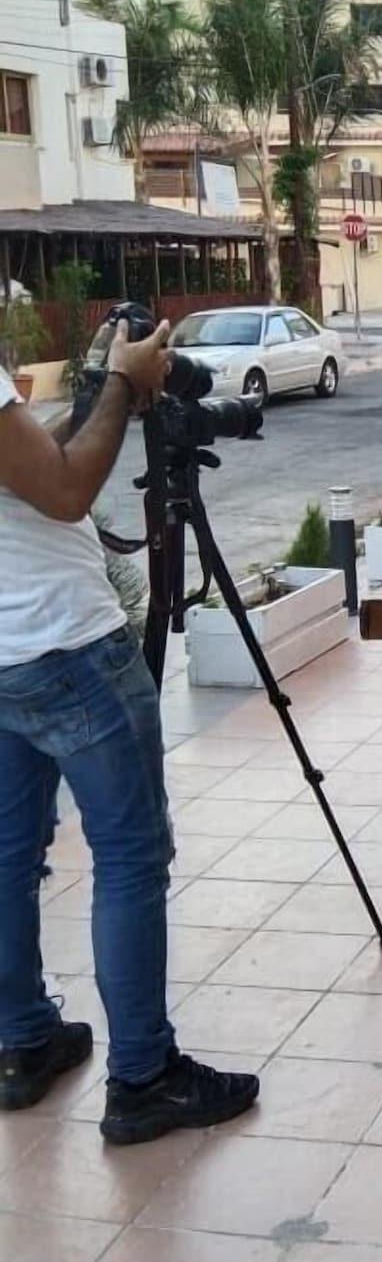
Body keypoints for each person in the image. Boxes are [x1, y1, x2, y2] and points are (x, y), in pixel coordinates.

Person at [0, 322, 259, 1142]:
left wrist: (96, 391)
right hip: (63, 642)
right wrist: (121, 382)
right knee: (131, 857)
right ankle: (143, 1076)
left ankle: (23, 1039)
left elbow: (31, 474)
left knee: (8, 857)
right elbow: (70, 492)